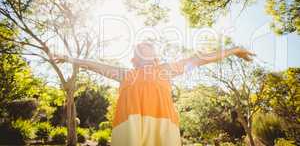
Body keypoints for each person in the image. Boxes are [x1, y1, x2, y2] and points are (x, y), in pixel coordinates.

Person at [53, 42, 255, 146]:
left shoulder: (166, 70)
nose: (144, 47)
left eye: (148, 46)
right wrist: (69, 58)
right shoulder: (126, 75)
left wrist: (234, 50)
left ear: (155, 55)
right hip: (130, 131)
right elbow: (93, 65)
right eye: (140, 47)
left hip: (162, 131)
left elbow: (201, 58)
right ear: (135, 57)